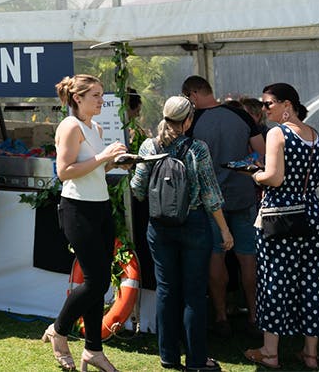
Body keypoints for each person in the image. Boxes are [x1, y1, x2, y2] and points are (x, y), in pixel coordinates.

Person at [130, 95, 232, 372]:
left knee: (166, 290)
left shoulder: (150, 145)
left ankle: (168, 356)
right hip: (194, 224)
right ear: (188, 120)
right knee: (194, 293)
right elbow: (211, 194)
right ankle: (197, 360)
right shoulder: (197, 149)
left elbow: (138, 190)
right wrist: (224, 229)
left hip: (159, 226)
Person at [42, 74, 126, 372]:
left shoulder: (96, 127)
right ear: (78, 98)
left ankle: (93, 350)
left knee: (99, 282)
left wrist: (115, 161)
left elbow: (94, 170)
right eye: (96, 95)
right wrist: (103, 156)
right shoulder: (70, 126)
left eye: (102, 95)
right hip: (77, 209)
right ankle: (59, 329)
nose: (102, 100)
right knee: (97, 281)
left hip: (100, 207)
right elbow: (64, 171)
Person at [245, 83, 319, 371]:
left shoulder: (277, 133)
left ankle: (270, 353)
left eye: (268, 104)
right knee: (310, 282)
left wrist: (256, 176)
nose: (264, 109)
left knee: (275, 281)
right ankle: (310, 354)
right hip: (312, 214)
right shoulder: (315, 135)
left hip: (281, 216)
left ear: (287, 106)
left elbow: (275, 178)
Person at [181, 74, 264, 339]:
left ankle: (221, 317)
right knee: (247, 256)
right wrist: (240, 165)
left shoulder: (192, 123)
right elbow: (261, 154)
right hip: (242, 195)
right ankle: (254, 316)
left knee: (215, 256)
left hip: (209, 200)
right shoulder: (240, 116)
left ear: (193, 95)